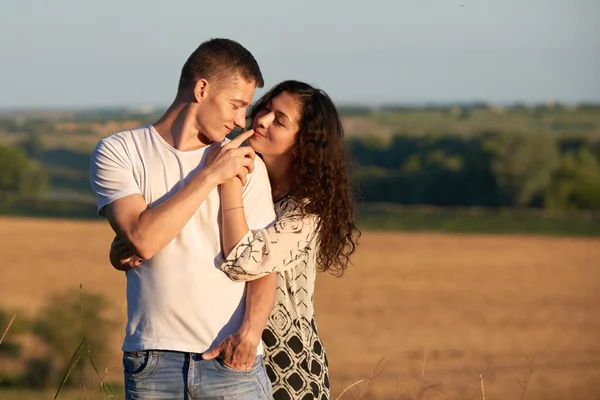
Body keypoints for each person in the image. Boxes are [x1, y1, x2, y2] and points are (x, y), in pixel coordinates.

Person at [91, 38, 278, 399]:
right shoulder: (119, 152)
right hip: (153, 363)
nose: (242, 120)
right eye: (237, 105)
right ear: (202, 88)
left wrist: (250, 337)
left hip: (231, 363)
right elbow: (143, 237)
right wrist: (209, 176)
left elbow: (263, 265)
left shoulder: (246, 164)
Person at [202, 80, 360, 400]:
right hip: (221, 350)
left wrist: (230, 184)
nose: (261, 119)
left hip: (289, 362)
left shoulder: (307, 210)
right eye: (264, 108)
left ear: (304, 143)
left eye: (280, 120)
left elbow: (246, 259)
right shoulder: (249, 175)